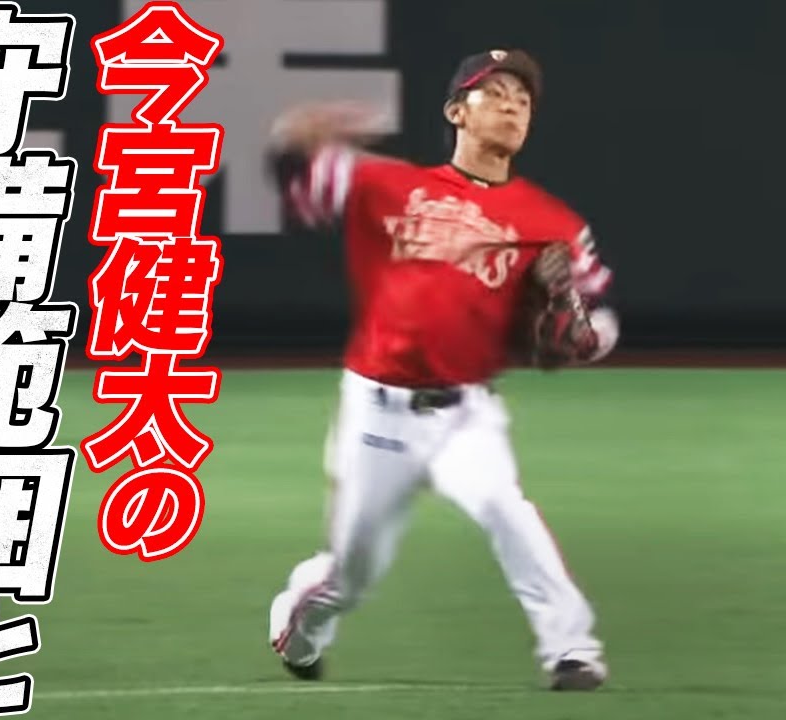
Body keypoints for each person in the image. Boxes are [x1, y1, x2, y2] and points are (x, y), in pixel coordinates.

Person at [265, 49, 621, 691]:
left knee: (507, 509)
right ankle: (301, 623)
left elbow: (596, 323)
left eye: (523, 99)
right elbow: (300, 182)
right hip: (379, 410)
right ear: (457, 111)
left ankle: (572, 650)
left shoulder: (554, 224)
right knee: (353, 574)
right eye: (496, 93)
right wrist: (296, 133)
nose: (513, 105)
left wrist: (575, 328)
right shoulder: (386, 185)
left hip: (467, 412)